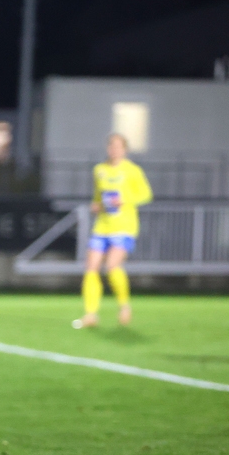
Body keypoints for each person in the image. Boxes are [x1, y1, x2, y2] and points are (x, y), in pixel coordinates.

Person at [74, 133, 152, 328]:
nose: (114, 150)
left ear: (124, 150)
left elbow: (146, 194)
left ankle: (124, 305)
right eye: (112, 146)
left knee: (112, 266)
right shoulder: (99, 170)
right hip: (102, 226)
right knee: (91, 267)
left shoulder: (133, 170)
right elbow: (97, 196)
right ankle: (91, 314)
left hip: (124, 227)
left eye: (118, 147)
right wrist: (96, 205)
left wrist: (125, 201)